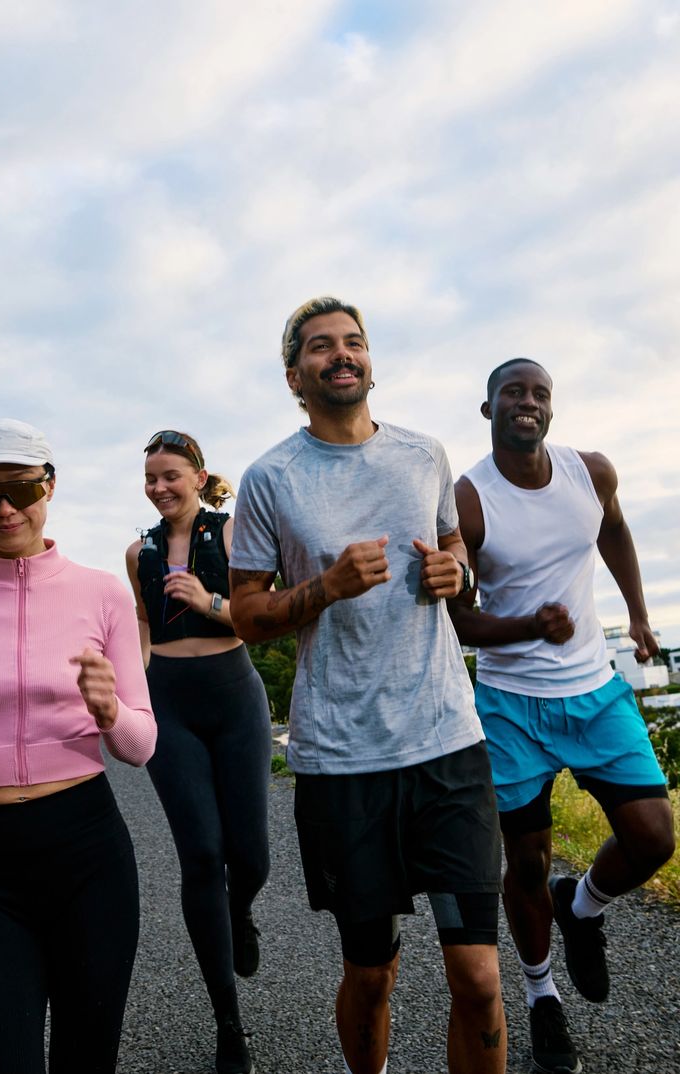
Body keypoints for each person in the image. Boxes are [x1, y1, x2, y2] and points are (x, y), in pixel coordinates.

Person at [228, 297, 507, 1074]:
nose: (342, 355)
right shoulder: (269, 479)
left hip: (447, 744)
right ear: (295, 375)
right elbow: (247, 613)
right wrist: (325, 587)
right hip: (342, 760)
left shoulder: (424, 456)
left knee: (479, 978)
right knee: (371, 972)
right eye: (322, 347)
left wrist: (459, 573)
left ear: (371, 361)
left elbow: (453, 547)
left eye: (354, 343)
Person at [0, 418, 157, 1074]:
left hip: (87, 852)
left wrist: (108, 713)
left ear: (50, 487)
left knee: (85, 1058)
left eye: (19, 488)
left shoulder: (102, 591)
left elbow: (142, 742)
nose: (6, 508)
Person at [448, 358, 675, 1074]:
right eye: (512, 392)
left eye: (539, 393)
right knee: (526, 862)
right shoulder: (468, 501)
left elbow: (613, 531)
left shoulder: (591, 472)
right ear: (488, 410)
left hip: (596, 691)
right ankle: (542, 995)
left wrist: (638, 615)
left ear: (552, 409)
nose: (527, 402)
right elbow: (458, 620)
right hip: (513, 707)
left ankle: (581, 906)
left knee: (653, 838)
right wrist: (525, 629)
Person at [125, 430, 271, 1074]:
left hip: (235, 697)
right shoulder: (139, 552)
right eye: (151, 478)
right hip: (170, 704)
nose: (160, 487)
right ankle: (227, 1021)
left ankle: (241, 909)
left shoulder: (235, 531)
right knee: (202, 854)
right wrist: (132, 691)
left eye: (171, 476)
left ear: (199, 476)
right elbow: (140, 623)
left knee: (252, 857)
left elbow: (263, 616)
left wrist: (208, 600)